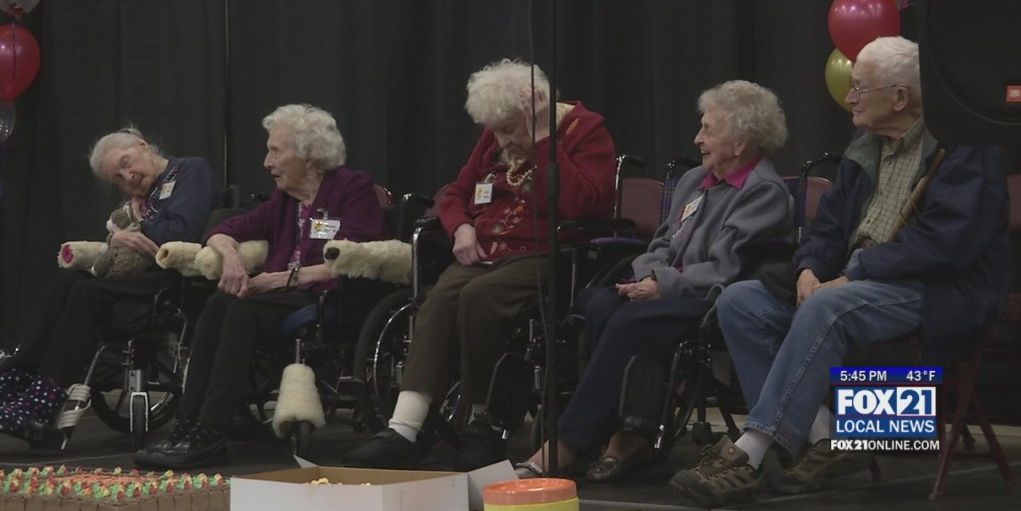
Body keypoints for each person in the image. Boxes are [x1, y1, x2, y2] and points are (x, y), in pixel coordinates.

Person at [669, 36, 1012, 507]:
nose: (849, 97)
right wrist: (809, 268)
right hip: (858, 283)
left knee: (829, 306)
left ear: (900, 97)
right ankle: (829, 439)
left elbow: (948, 245)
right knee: (741, 301)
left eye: (860, 88)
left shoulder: (963, 147)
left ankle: (750, 451)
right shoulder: (864, 146)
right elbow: (828, 226)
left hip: (941, 289)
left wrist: (858, 271)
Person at [342, 58, 618, 471]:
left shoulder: (584, 130)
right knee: (437, 301)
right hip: (484, 250)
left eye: (510, 129)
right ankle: (404, 427)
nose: (502, 140)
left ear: (536, 112)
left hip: (544, 253)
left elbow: (583, 203)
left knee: (479, 298)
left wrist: (544, 139)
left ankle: (483, 422)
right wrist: (461, 229)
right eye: (496, 130)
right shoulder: (494, 136)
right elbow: (456, 194)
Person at [513, 80, 793, 481]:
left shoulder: (762, 191)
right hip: (667, 289)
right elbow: (661, 242)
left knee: (631, 320)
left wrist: (662, 285)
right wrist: (647, 276)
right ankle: (628, 432)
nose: (697, 139)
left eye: (708, 130)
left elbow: (723, 269)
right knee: (598, 302)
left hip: (711, 298)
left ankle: (569, 443)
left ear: (741, 142)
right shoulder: (695, 180)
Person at [133, 103, 390, 468]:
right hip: (283, 294)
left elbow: (356, 256)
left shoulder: (352, 188)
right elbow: (223, 229)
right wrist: (232, 258)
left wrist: (285, 278)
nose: (267, 163)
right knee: (219, 302)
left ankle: (210, 429)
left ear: (309, 155)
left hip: (332, 296)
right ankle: (187, 424)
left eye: (275, 152)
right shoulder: (284, 200)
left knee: (242, 309)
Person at [0, 127, 219, 438]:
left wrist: (137, 227)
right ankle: (18, 374)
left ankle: (43, 399)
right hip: (142, 275)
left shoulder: (189, 170)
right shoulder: (141, 198)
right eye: (118, 178)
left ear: (143, 145)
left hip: (177, 277)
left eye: (127, 163)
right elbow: (123, 237)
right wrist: (117, 237)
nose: (128, 177)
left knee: (85, 291)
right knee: (68, 280)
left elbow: (181, 231)